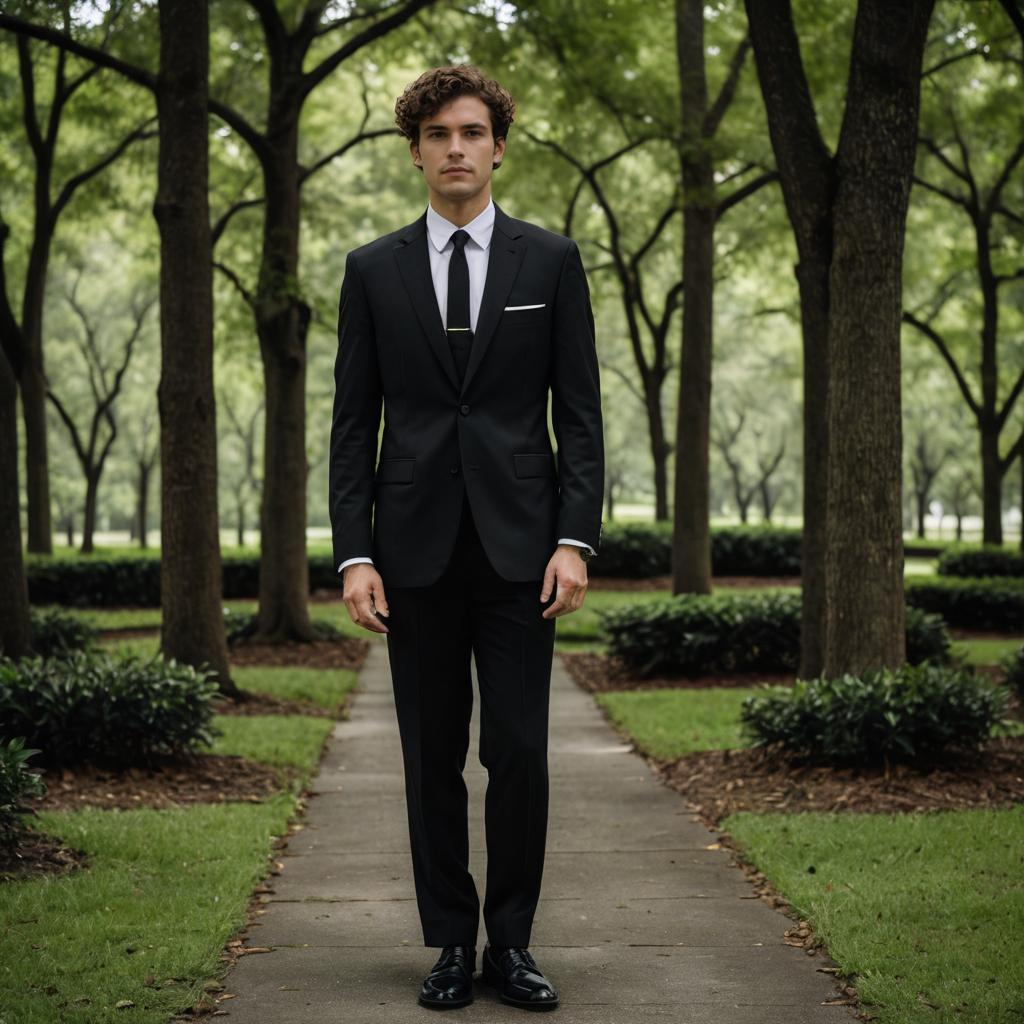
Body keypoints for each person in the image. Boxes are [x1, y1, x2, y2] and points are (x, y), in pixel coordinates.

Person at [328, 64, 604, 1012]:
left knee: (519, 752)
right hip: (411, 555)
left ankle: (513, 944)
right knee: (430, 754)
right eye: (439, 133)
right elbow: (350, 422)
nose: (456, 148)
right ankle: (450, 941)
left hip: (524, 552)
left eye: (472, 132)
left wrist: (575, 539)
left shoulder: (552, 261)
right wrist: (355, 553)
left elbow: (581, 415)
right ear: (415, 151)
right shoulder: (371, 270)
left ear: (496, 146)